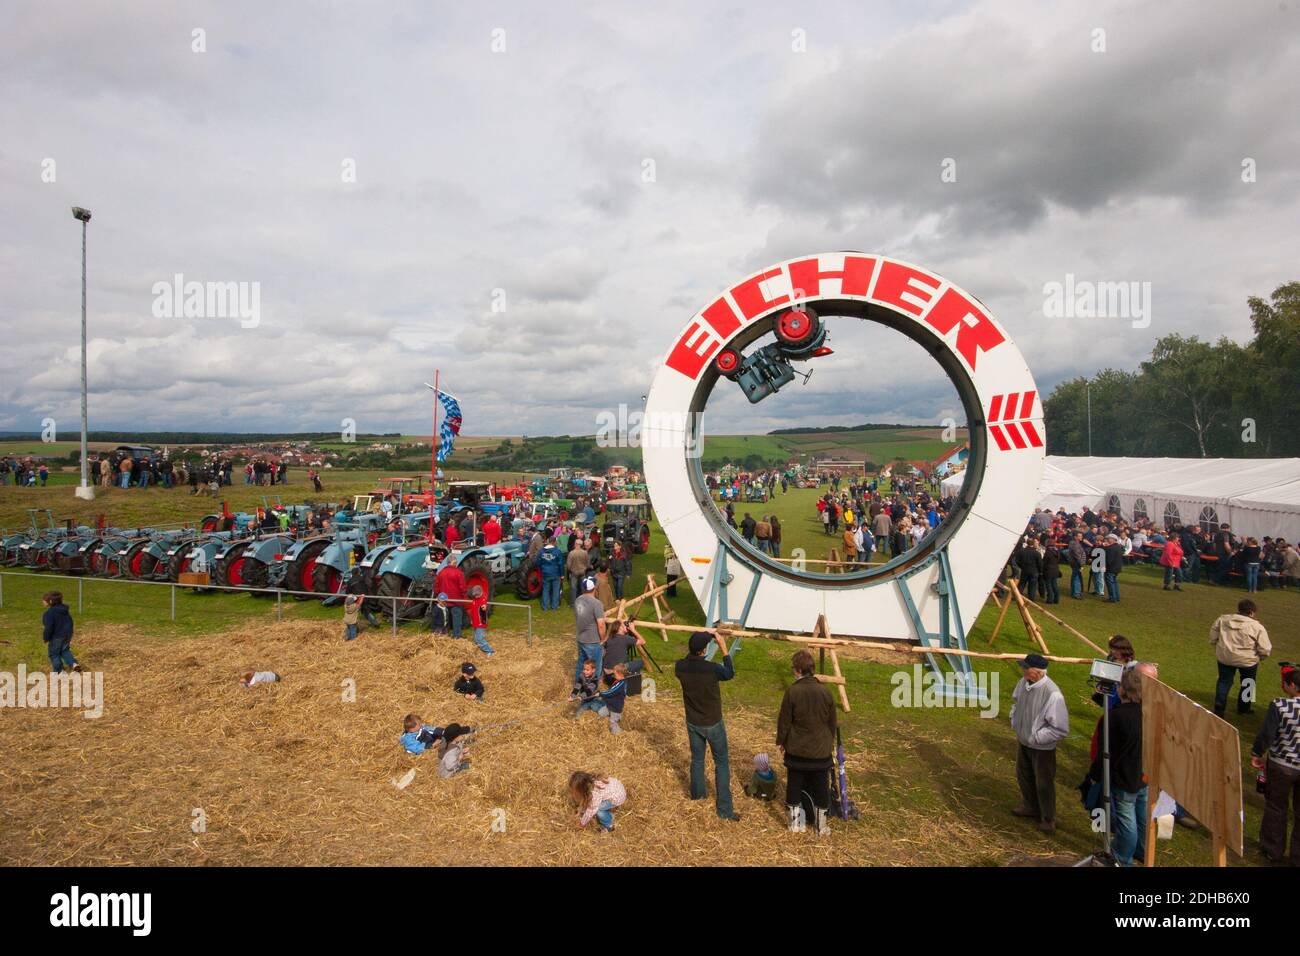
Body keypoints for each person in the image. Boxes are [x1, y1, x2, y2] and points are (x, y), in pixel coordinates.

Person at [674, 630, 740, 821]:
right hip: (713, 722)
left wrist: (706, 638)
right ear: (703, 651)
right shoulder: (712, 669)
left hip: (693, 721)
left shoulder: (680, 667)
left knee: (697, 760)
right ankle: (725, 811)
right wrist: (723, 647)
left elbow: (689, 660)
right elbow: (730, 673)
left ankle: (698, 799)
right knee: (721, 763)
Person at [1086, 666, 1147, 865]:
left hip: (1124, 776)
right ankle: (1141, 850)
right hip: (1144, 774)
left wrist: (1094, 775)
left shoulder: (1116, 716)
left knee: (1126, 819)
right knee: (1141, 814)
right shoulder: (1150, 713)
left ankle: (1122, 858)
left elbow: (1105, 750)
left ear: (1123, 690)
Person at [776, 649, 838, 835]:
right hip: (820, 753)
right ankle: (821, 826)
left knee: (794, 786)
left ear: (797, 670)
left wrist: (781, 741)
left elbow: (784, 720)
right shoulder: (826, 692)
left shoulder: (792, 692)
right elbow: (832, 723)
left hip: (797, 752)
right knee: (821, 789)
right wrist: (827, 743)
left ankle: (797, 825)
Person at [1009, 652, 1069, 833]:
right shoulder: (1024, 683)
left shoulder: (1053, 694)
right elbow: (1016, 702)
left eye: (1026, 668)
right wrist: (1014, 720)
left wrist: (1035, 738)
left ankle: (1048, 819)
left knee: (1044, 783)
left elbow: (1060, 728)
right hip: (1024, 741)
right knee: (1024, 776)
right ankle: (1030, 807)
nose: (1022, 670)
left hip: (1042, 749)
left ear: (1038, 672)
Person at [1251, 665, 1300, 864]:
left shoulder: (1280, 706)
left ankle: (1273, 848)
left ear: (1293, 686)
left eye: (1285, 684)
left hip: (1282, 765)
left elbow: (1267, 735)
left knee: (1276, 807)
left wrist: (1257, 752)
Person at [1210, 599, 1272, 716]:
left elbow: (1213, 635)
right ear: (1252, 612)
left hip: (1225, 657)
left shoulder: (1223, 619)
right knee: (1248, 682)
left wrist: (1216, 645)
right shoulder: (1257, 627)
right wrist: (1261, 657)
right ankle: (1244, 708)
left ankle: (1219, 705)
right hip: (1248, 660)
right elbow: (1265, 647)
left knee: (1224, 681)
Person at [573, 577, 605, 685]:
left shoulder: (578, 600)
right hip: (593, 640)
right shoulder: (597, 604)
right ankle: (591, 690)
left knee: (581, 664)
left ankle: (578, 685)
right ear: (594, 587)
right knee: (595, 666)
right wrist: (603, 639)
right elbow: (601, 625)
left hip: (581, 638)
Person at [42, 591, 80, 673]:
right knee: (64, 650)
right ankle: (73, 664)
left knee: (54, 654)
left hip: (56, 637)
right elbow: (70, 621)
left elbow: (49, 628)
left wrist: (46, 638)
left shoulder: (49, 613)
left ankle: (59, 671)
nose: (43, 601)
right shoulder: (64, 611)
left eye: (45, 600)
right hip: (67, 634)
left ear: (51, 602)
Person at [434, 561, 467, 639]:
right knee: (457, 620)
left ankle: (444, 635)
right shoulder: (458, 573)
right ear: (454, 563)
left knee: (444, 619)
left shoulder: (440, 573)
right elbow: (462, 587)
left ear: (447, 563)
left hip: (444, 601)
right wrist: (463, 595)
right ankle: (456, 636)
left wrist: (438, 596)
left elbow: (436, 587)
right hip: (456, 601)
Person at [537, 534, 565, 611]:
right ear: (555, 542)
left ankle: (545, 606)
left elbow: (538, 562)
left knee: (545, 589)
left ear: (548, 541)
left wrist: (541, 570)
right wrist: (562, 574)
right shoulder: (557, 551)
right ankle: (554, 606)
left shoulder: (541, 551)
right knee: (556, 590)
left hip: (545, 572)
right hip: (555, 573)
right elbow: (561, 564)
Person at [465, 584, 494, 656]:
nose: (475, 596)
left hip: (481, 623)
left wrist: (484, 607)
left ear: (481, 593)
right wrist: (472, 620)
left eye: (477, 595)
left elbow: (483, 606)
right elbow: (473, 611)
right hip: (475, 622)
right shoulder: (474, 600)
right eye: (474, 595)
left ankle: (489, 651)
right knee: (476, 638)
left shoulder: (482, 599)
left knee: (480, 638)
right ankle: (479, 649)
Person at [566, 537, 590, 607]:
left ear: (576, 544)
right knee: (583, 587)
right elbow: (587, 563)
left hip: (574, 572)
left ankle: (573, 604)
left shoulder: (572, 553)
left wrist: (571, 570)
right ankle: (584, 602)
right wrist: (585, 568)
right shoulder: (585, 552)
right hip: (582, 572)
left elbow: (568, 565)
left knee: (573, 588)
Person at [1103, 533, 1124, 602]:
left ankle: (1112, 598)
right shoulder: (1118, 547)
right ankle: (1116, 597)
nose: (1107, 540)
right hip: (1117, 568)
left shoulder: (1111, 548)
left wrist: (1104, 566)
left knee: (1110, 583)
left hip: (1111, 568)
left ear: (1113, 539)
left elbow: (1109, 560)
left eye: (1108, 538)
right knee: (1114, 582)